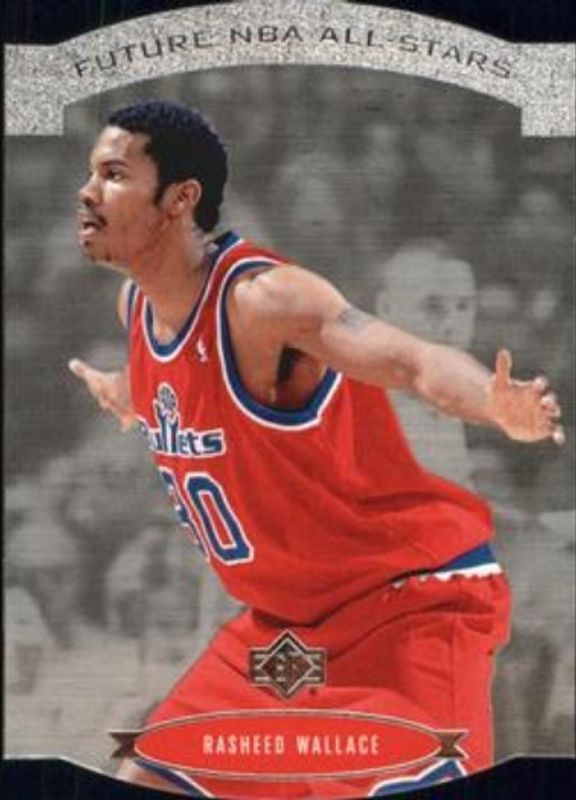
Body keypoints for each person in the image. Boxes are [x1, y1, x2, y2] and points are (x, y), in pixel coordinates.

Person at [69, 100, 563, 799]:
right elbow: (190, 389)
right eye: (93, 172)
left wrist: (493, 401)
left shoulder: (264, 301)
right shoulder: (138, 310)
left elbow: (412, 361)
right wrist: (129, 393)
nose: (88, 192)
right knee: (149, 778)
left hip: (407, 606)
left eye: (114, 174)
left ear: (179, 199)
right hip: (289, 629)